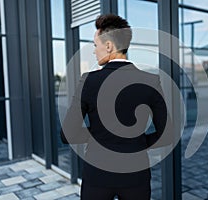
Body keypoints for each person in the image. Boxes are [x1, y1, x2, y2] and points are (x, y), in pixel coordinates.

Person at [60, 14, 173, 200]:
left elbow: (67, 134)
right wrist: (137, 141)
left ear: (109, 46)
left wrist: (99, 134)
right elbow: (167, 134)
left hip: (97, 175)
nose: (94, 51)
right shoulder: (150, 81)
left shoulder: (89, 81)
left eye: (95, 45)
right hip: (136, 175)